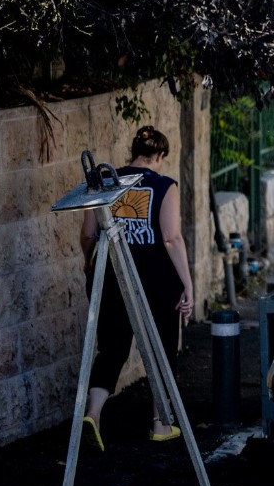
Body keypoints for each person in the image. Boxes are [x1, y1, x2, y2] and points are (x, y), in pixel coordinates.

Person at [80, 126, 195, 449]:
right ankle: (160, 424)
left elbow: (89, 233)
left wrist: (89, 262)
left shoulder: (104, 182)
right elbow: (171, 238)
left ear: (133, 152)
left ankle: (94, 414)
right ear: (159, 156)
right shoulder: (163, 186)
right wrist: (187, 284)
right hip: (156, 279)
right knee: (162, 349)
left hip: (112, 276)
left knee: (112, 348)